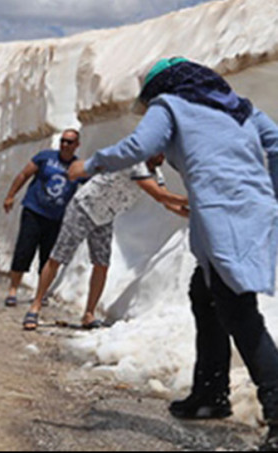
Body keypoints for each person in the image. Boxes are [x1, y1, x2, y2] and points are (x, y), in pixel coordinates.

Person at [67, 58, 278, 450]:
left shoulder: (171, 105)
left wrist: (90, 164)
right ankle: (210, 394)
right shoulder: (241, 108)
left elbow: (139, 146)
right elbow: (277, 143)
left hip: (224, 213)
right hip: (253, 211)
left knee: (238, 311)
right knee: (205, 293)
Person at [22, 153, 188, 331]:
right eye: (160, 152)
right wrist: (189, 199)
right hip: (84, 207)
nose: (163, 157)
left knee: (101, 264)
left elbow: (167, 202)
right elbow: (159, 195)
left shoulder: (156, 174)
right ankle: (35, 306)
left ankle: (88, 314)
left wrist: (190, 213)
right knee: (58, 257)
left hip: (104, 217)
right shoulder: (135, 164)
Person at [2, 129, 84, 307]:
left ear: (77, 145)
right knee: (24, 249)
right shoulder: (45, 157)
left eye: (70, 142)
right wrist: (11, 195)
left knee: (48, 256)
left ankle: (40, 294)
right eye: (63, 141)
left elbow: (90, 186)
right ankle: (13, 290)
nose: (65, 145)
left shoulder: (78, 167)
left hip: (55, 217)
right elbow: (24, 174)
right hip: (34, 210)